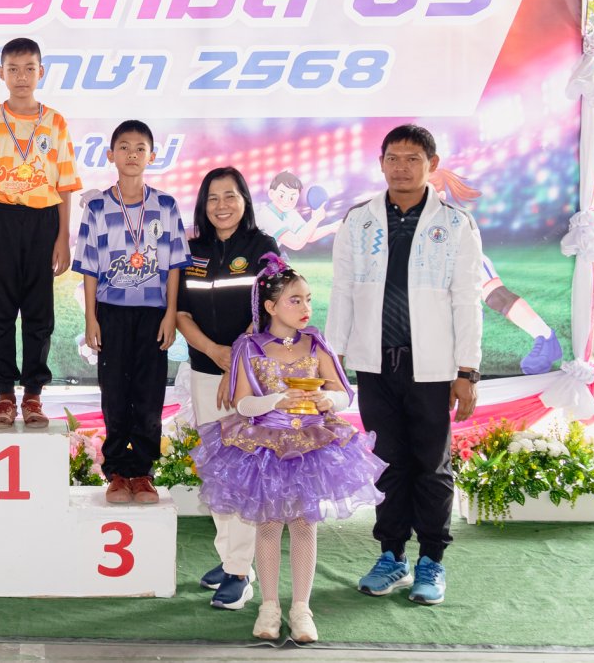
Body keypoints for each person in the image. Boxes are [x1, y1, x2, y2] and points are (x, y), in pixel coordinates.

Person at [325, 124, 483, 606]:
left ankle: (431, 560)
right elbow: (342, 291)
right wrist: (332, 358)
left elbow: (466, 300)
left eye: (413, 158)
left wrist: (467, 371)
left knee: (431, 467)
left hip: (432, 369)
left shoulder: (455, 224)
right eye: (393, 158)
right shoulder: (359, 220)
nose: (402, 168)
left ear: (431, 165)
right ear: (381, 164)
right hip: (376, 366)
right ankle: (391, 555)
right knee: (387, 465)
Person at [194, 253, 385, 642]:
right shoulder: (250, 347)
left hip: (310, 446)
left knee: (303, 524)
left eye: (308, 299)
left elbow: (343, 392)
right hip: (266, 445)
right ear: (270, 307)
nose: (304, 307)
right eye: (295, 300)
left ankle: (301, 608)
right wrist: (276, 401)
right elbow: (243, 403)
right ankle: (269, 606)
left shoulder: (315, 343)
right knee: (268, 524)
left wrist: (330, 401)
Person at [175, 166, 280, 610]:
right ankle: (231, 558)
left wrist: (234, 358)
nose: (221, 205)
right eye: (213, 198)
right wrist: (213, 352)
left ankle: (240, 571)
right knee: (218, 470)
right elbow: (181, 313)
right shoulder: (191, 250)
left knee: (243, 469)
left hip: (248, 377)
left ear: (244, 200)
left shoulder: (263, 247)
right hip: (205, 370)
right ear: (203, 205)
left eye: (230, 196)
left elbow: (274, 310)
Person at [0, 37, 82, 429]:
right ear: (1, 73)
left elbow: (65, 184)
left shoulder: (55, 122)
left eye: (29, 69)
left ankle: (33, 393)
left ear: (41, 72)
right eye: (13, 69)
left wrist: (62, 237)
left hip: (42, 221)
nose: (21, 77)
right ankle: (4, 394)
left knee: (38, 311)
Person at [73, 120, 189, 505]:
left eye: (140, 148)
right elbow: (90, 267)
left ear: (152, 156)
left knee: (148, 392)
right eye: (124, 147)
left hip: (153, 313)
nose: (132, 154)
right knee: (115, 392)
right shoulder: (98, 207)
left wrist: (170, 314)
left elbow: (175, 264)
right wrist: (91, 318)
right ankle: (117, 472)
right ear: (111, 155)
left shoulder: (165, 206)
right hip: (112, 312)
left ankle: (142, 472)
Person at [430, 167, 562, 374]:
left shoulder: (449, 216)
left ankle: (545, 338)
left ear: (440, 194)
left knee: (497, 297)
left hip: (467, 262)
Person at [255, 171, 337, 251]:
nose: (286, 201)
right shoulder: (265, 215)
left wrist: (332, 227)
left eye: (292, 198)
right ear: (271, 194)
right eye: (282, 195)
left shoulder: (290, 213)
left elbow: (308, 236)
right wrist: (315, 219)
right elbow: (295, 243)